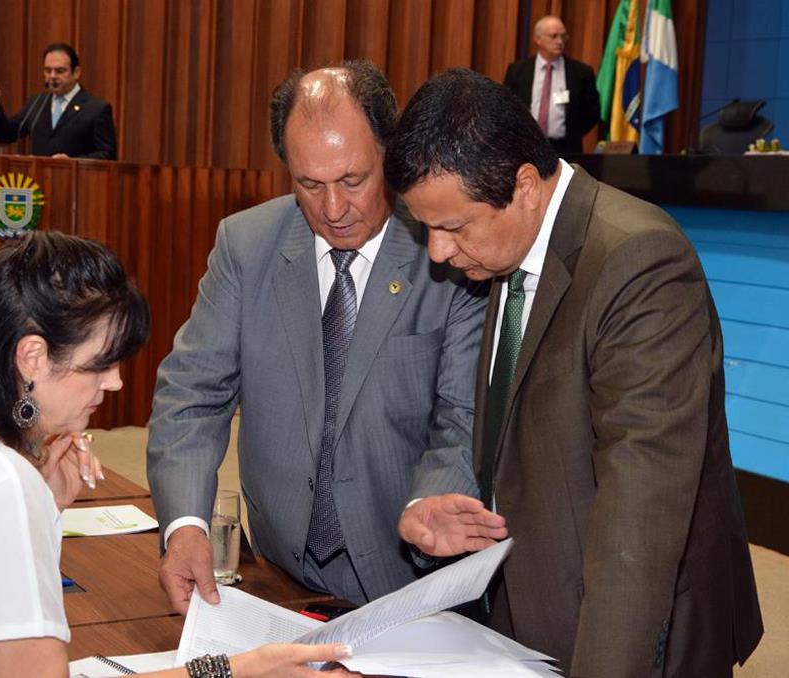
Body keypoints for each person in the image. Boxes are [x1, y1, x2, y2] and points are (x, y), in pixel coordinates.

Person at [0, 232, 348, 678]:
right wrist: (235, 670)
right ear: (32, 357)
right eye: (99, 363)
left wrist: (45, 503)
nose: (117, 384)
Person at [386, 68, 764, 677]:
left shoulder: (641, 264)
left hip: (626, 636)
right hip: (529, 619)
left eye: (452, 227)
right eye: (425, 226)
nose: (437, 252)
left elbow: (635, 530)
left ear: (526, 186)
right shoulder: (506, 251)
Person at [147, 61, 494, 613]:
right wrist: (186, 525)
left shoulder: (448, 255)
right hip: (281, 576)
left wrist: (433, 501)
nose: (333, 210)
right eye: (310, 185)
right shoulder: (246, 244)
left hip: (411, 579)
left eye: (352, 181)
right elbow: (192, 395)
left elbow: (462, 417)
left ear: (391, 154)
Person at [0, 43, 117, 160]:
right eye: (47, 71)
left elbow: (108, 155)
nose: (52, 76)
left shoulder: (96, 109)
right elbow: (6, 135)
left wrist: (73, 161)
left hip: (77, 184)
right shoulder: (37, 103)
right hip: (38, 185)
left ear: (76, 72)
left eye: (60, 71)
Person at [504, 16, 600, 154]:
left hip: (566, 149)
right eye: (554, 36)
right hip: (526, 147)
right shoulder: (518, 70)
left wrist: (573, 132)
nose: (560, 42)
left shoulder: (581, 73)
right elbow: (508, 108)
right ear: (538, 39)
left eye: (563, 36)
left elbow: (592, 113)